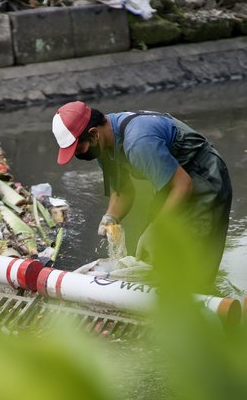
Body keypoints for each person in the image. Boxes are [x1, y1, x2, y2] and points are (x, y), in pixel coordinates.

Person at [51, 101, 232, 288]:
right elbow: (123, 191)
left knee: (194, 261)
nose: (78, 155)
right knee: (154, 254)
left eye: (79, 149)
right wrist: (111, 217)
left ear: (94, 134)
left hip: (202, 176)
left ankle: (201, 301)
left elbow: (183, 186)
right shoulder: (104, 144)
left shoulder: (138, 142)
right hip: (170, 180)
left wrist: (156, 229)